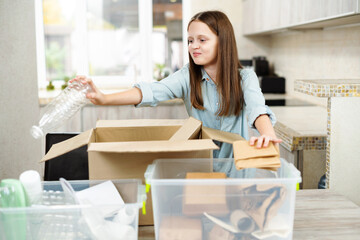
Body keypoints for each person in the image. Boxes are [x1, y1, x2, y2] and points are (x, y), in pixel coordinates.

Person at [70, 10, 282, 161]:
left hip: (238, 167)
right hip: (201, 166)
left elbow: (257, 110)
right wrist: (104, 98)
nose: (193, 46)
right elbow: (151, 92)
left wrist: (268, 134)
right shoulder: (186, 77)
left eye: (202, 40)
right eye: (190, 40)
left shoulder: (245, 78)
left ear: (222, 41)